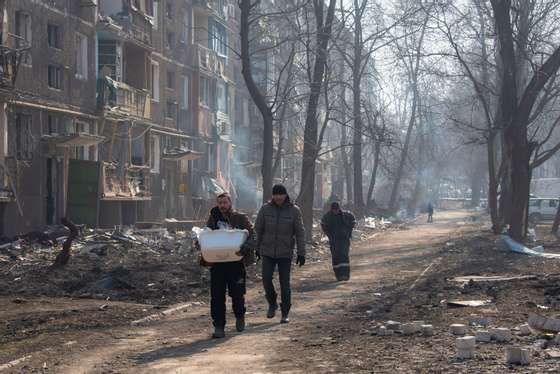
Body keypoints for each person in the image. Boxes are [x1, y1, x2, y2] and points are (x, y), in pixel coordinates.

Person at [203, 192, 255, 339]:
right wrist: (200, 242)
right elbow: (205, 235)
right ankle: (219, 326)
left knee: (237, 294)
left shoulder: (240, 218)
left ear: (230, 203)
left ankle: (240, 316)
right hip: (218, 264)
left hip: (236, 263)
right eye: (219, 203)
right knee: (217, 296)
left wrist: (246, 247)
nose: (222, 206)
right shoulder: (213, 219)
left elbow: (253, 235)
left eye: (224, 202)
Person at [255, 184, 305, 323]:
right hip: (267, 251)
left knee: (285, 283)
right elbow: (257, 230)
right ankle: (272, 303)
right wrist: (256, 248)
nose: (278, 197)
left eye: (280, 194)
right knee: (265, 279)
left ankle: (285, 313)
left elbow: (300, 233)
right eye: (275, 194)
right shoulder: (265, 209)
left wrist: (301, 253)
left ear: (285, 195)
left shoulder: (294, 211)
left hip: (285, 252)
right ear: (272, 196)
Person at [321, 202, 356, 281]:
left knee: (344, 256)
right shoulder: (328, 216)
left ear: (339, 209)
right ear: (331, 209)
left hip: (344, 239)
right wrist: (329, 234)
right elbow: (323, 224)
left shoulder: (346, 215)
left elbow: (353, 220)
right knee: (336, 257)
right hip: (334, 240)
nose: (335, 211)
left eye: (337, 210)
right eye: (334, 210)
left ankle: (345, 275)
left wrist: (349, 230)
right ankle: (338, 275)